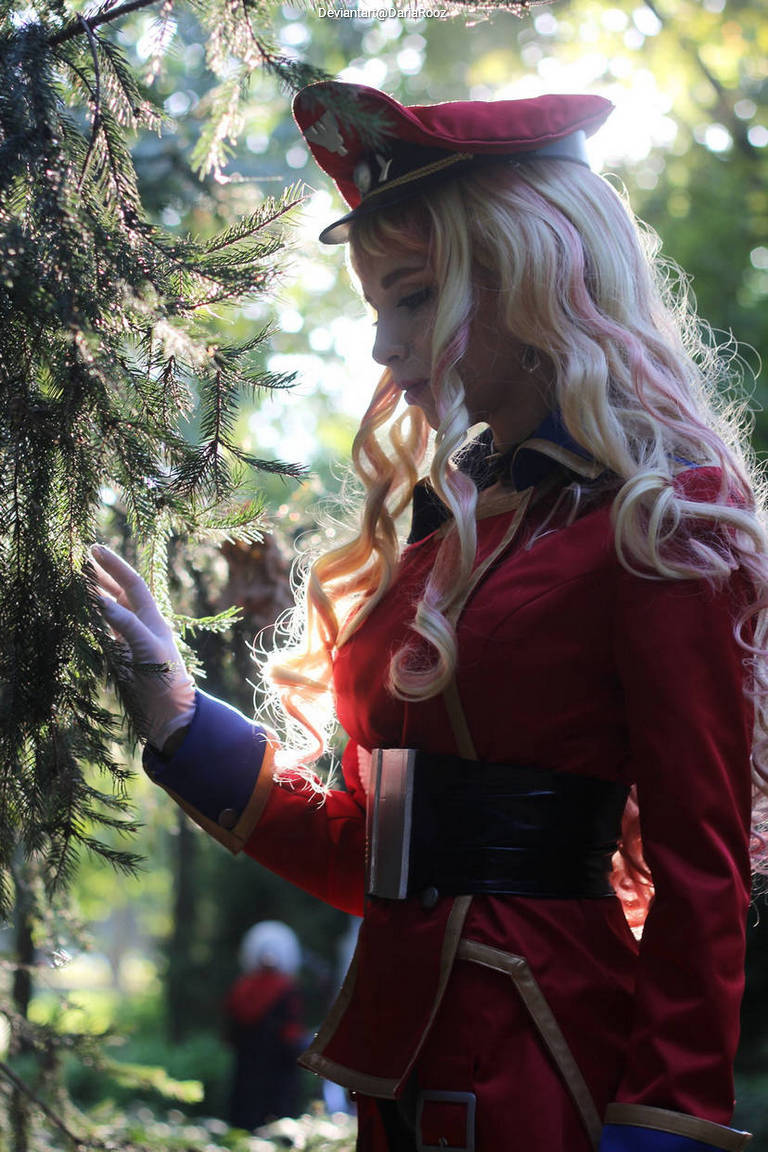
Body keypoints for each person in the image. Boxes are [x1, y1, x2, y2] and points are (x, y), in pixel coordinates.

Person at [89, 80, 768, 1152]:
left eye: (412, 298)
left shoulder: (662, 518)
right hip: (397, 1075)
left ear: (532, 279)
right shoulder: (443, 536)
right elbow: (374, 858)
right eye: (379, 308)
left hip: (552, 1076)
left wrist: (667, 1122)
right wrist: (176, 711)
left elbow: (702, 862)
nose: (382, 348)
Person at [224, 920, 303, 1131]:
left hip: (248, 1061)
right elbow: (290, 1030)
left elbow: (231, 1026)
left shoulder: (242, 987)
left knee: (246, 1107)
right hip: (276, 1063)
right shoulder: (286, 988)